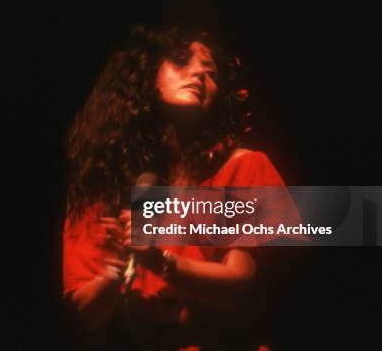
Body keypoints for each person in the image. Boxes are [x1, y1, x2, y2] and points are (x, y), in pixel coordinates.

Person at [63, 26, 291, 350]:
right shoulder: (106, 184)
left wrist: (159, 260)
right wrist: (115, 272)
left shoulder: (244, 166)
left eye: (211, 73)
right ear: (147, 77)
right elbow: (86, 315)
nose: (199, 73)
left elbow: (241, 287)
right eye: (183, 61)